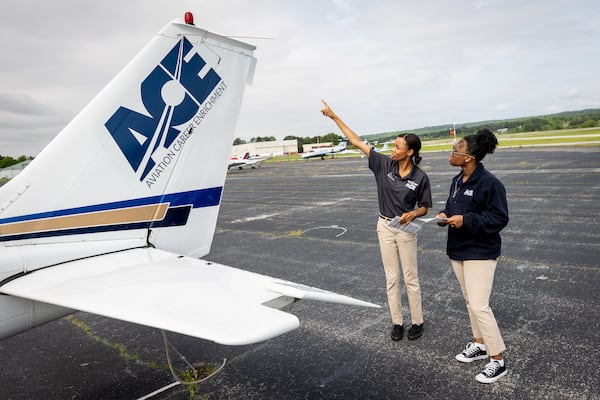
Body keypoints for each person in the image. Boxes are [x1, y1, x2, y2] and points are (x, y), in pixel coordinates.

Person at [320, 99, 432, 341]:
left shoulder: (420, 177)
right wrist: (334, 116)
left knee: (410, 278)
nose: (393, 149)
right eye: (393, 145)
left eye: (397, 146)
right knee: (392, 278)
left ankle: (417, 321)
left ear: (410, 152)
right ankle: (397, 322)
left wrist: (413, 213)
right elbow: (356, 141)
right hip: (385, 227)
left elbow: (425, 207)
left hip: (405, 229)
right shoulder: (383, 164)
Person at [436, 128, 509, 383]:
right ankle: (479, 344)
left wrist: (465, 220)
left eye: (456, 150)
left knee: (480, 305)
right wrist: (445, 216)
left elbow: (499, 218)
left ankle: (498, 359)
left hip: (480, 252)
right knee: (470, 302)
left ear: (469, 158)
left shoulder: (490, 183)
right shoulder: (457, 180)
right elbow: (452, 206)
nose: (451, 153)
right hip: (458, 250)